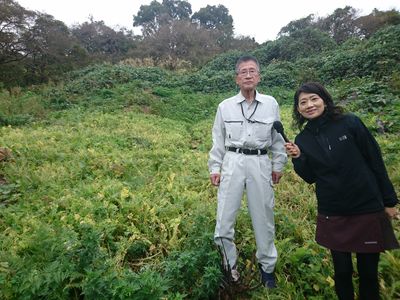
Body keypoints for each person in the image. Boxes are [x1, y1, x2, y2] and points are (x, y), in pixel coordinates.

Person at [285, 82, 399, 299]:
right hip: (333, 211)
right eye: (303, 102)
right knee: (342, 272)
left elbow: (375, 160)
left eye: (314, 99)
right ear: (298, 109)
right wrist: (299, 158)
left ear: (325, 101)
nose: (309, 105)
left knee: (368, 273)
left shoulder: (350, 123)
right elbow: (310, 177)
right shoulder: (303, 139)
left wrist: (389, 201)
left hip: (366, 206)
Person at [208, 55, 287, 288]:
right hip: (232, 162)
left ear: (259, 76)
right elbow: (218, 139)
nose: (248, 75)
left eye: (252, 71)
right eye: (243, 72)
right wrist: (215, 167)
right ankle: (229, 266)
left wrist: (278, 165)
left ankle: (267, 268)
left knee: (264, 216)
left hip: (260, 163)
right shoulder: (225, 106)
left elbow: (277, 139)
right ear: (237, 78)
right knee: (224, 218)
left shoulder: (271, 103)